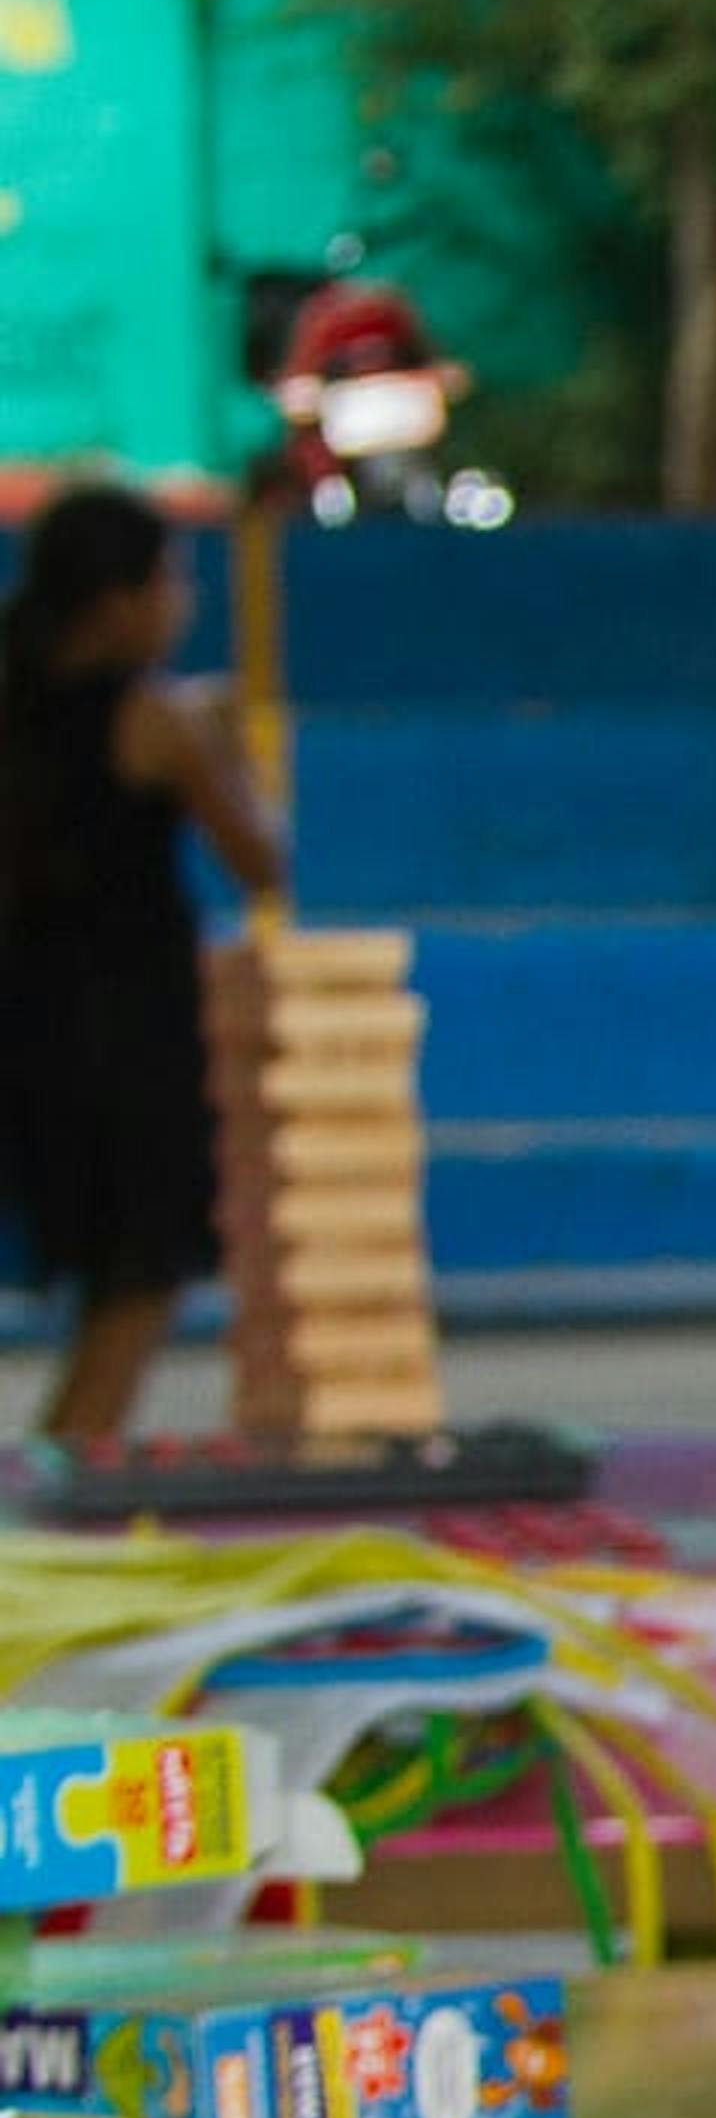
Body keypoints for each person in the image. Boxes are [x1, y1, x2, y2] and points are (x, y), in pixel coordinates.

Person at [2, 484, 284, 1441]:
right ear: (119, 600)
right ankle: (57, 1489)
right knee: (137, 1284)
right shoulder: (160, 723)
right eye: (169, 580)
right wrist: (229, 748)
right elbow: (260, 858)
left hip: (30, 1022)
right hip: (131, 1036)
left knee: (107, 1283)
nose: (181, 602)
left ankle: (54, 1474)